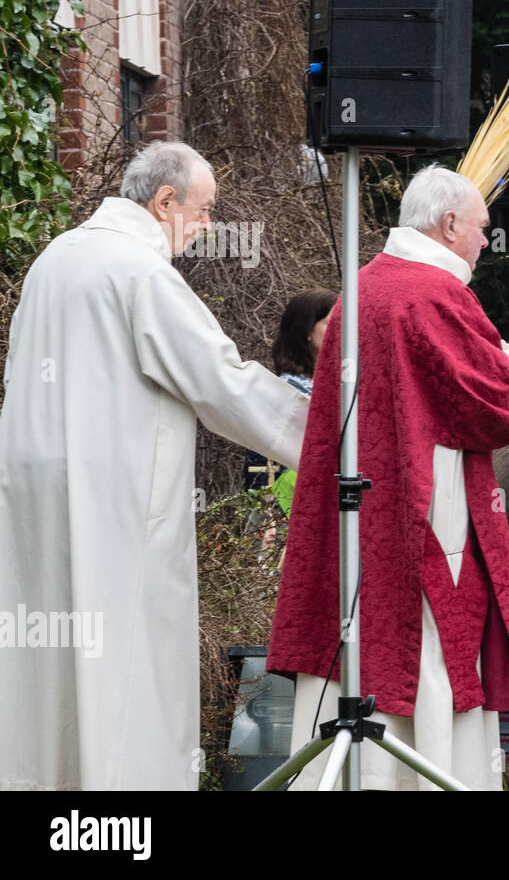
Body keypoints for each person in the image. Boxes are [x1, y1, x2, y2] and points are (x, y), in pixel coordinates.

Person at [0, 140, 309, 790]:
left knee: (46, 673)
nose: (206, 228)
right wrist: (328, 439)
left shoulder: (52, 259)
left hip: (37, 500)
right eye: (202, 211)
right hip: (114, 499)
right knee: (125, 671)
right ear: (164, 200)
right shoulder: (139, 272)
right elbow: (220, 382)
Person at [267, 164, 509, 790]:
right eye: (480, 228)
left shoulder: (361, 289)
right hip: (431, 507)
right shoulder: (437, 294)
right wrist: (508, 359)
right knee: (428, 649)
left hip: (363, 513)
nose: (485, 241)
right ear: (449, 225)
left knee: (360, 640)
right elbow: (490, 400)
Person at [244, 288, 336, 491]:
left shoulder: (346, 389)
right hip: (291, 509)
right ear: (307, 330)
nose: (342, 331)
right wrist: (267, 518)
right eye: (332, 323)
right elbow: (262, 464)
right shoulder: (282, 392)